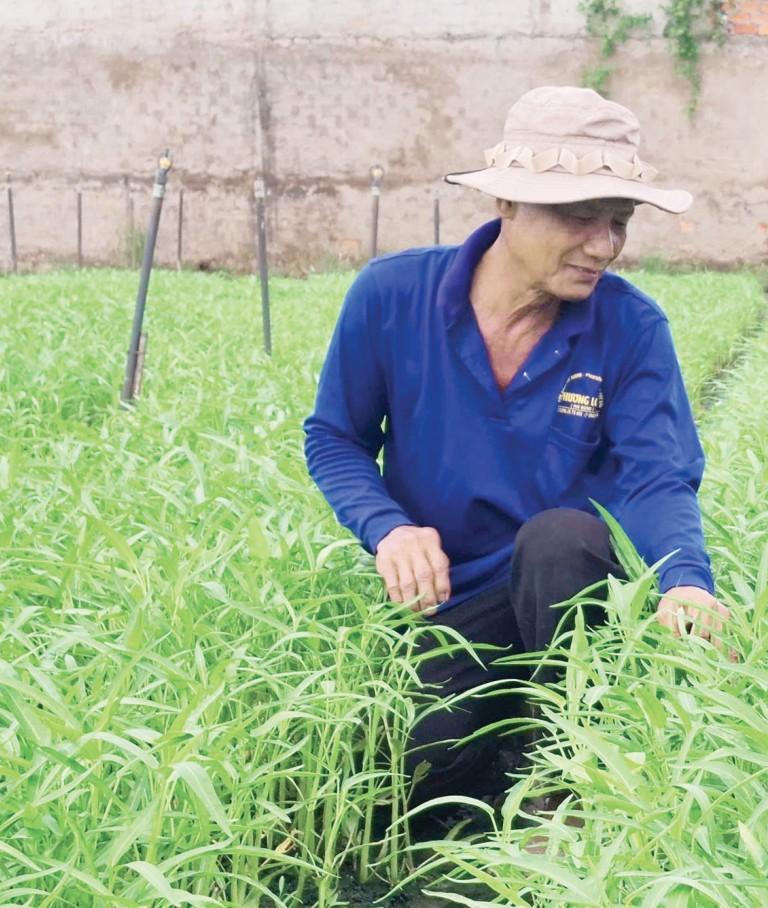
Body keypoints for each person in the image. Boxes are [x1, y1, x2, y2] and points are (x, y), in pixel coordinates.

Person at [302, 85, 730, 827]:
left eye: (618, 223)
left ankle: (572, 767)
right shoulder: (391, 298)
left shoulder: (629, 327)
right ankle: (495, 764)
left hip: (575, 602)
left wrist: (686, 582)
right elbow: (334, 437)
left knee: (560, 540)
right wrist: (388, 529)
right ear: (506, 205)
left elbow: (657, 476)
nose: (604, 245)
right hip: (453, 602)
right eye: (579, 217)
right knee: (423, 778)